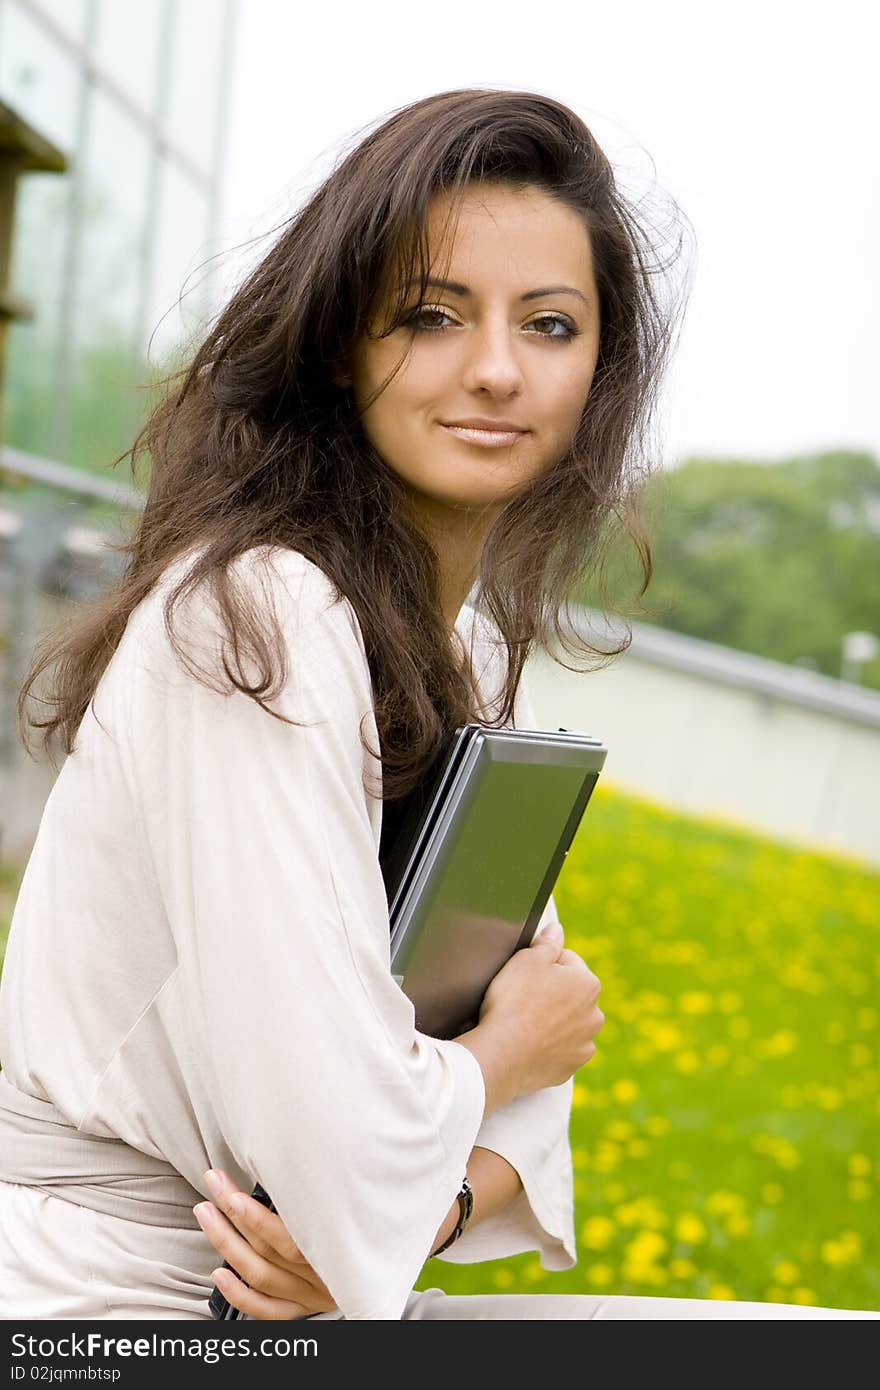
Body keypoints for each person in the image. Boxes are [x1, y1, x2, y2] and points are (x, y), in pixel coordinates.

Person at [0, 88, 875, 1322]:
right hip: (107, 1305)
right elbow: (436, 1081)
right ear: (338, 344)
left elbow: (518, 1083)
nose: (498, 371)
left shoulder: (448, 645)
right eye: (430, 315)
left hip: (305, 1297)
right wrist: (475, 1082)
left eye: (552, 324)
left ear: (599, 372)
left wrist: (417, 1195)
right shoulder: (258, 616)